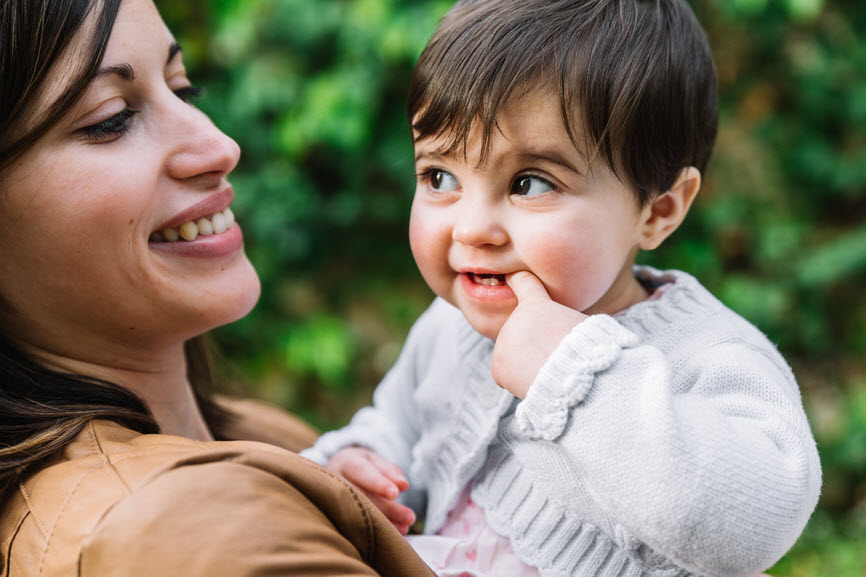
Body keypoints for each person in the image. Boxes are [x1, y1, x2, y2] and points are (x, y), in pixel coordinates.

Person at [301, 1, 822, 576]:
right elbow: (395, 424)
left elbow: (753, 525)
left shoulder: (708, 358)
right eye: (440, 176)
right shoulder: (448, 326)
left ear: (658, 210)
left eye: (529, 183)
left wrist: (576, 378)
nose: (472, 227)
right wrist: (359, 469)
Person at [0, 1, 437, 575]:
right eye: (110, 119)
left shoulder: (256, 433)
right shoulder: (187, 527)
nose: (219, 146)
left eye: (182, 88)